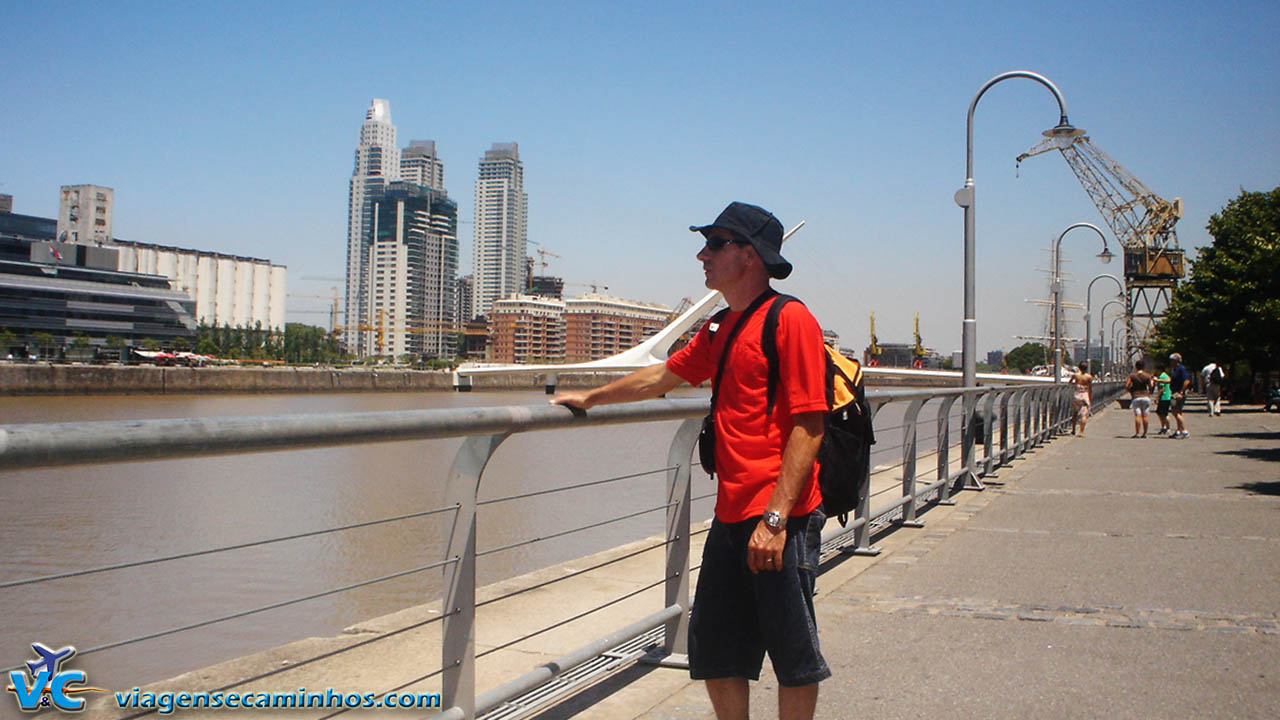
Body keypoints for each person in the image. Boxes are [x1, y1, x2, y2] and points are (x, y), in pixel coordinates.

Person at [550, 201, 830, 720]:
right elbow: (662, 376)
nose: (702, 254)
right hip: (730, 515)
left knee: (793, 654)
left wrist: (775, 519)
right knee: (717, 649)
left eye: (716, 244)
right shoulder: (722, 327)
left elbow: (809, 426)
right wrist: (591, 397)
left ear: (749, 256)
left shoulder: (790, 320)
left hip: (778, 516)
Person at [1125, 360, 1155, 437]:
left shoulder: (1132, 376)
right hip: (1145, 397)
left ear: (1136, 367)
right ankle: (1145, 433)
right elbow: (1151, 386)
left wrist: (1130, 390)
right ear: (1143, 367)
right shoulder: (1147, 376)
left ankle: (1137, 433)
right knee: (1145, 415)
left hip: (1136, 397)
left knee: (1138, 415)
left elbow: (1127, 385)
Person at [1169, 352, 1191, 438]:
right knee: (1177, 411)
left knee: (1175, 411)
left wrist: (1181, 392)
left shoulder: (1181, 369)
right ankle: (1178, 430)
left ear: (1176, 361)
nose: (1170, 362)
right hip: (1174, 392)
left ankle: (1184, 431)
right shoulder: (1175, 369)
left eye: (1172, 360)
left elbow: (1186, 380)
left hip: (1177, 393)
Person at [1069, 364, 1093, 436]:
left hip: (1077, 395)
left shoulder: (1075, 375)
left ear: (1079, 367)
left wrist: (1076, 384)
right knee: (1084, 414)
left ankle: (1073, 430)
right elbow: (1090, 388)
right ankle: (1081, 432)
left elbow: (1070, 383)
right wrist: (1090, 397)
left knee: (1075, 413)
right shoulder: (1089, 377)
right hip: (1084, 395)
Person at [1154, 365, 1173, 435]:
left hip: (1164, 396)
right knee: (1161, 412)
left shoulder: (1162, 376)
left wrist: (1157, 397)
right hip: (1167, 396)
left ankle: (1166, 427)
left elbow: (1162, 388)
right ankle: (1164, 426)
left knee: (1163, 413)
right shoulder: (1166, 375)